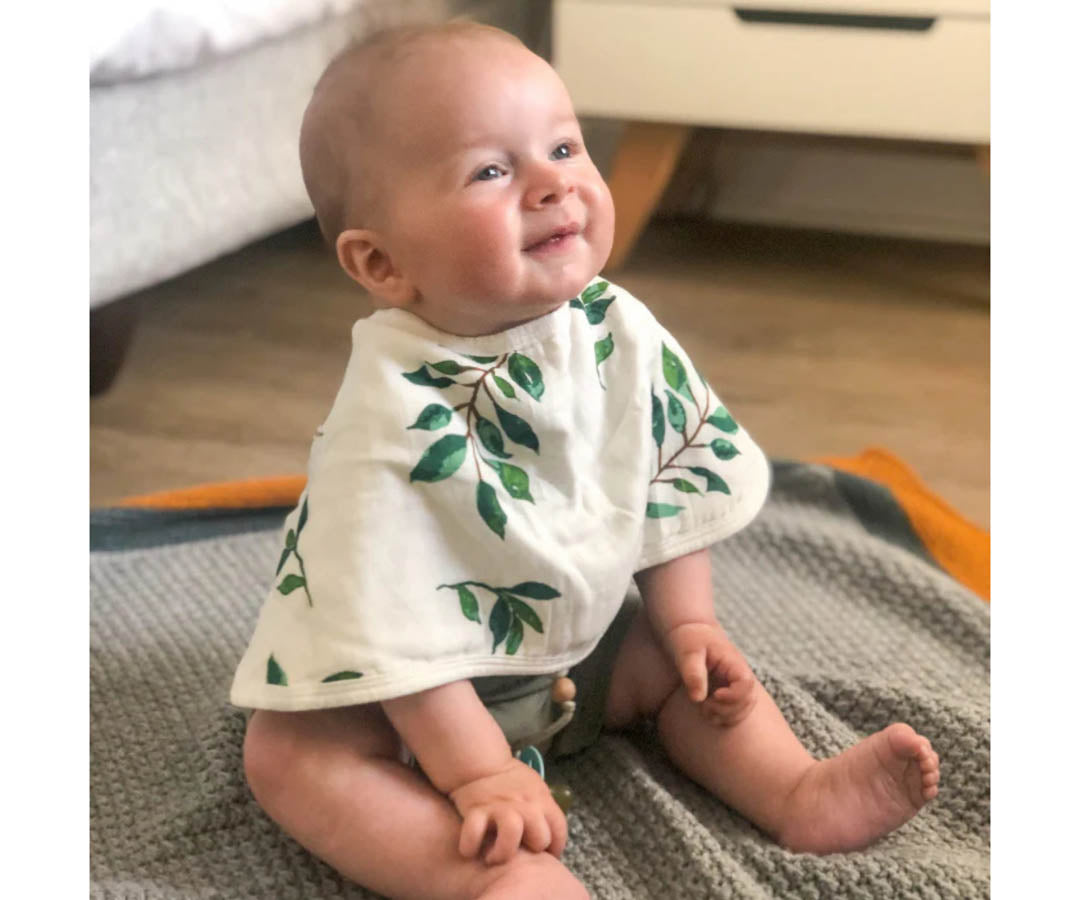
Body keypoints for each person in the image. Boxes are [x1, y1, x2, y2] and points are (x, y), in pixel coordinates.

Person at [231, 22, 940, 900]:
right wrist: (478, 771)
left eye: (565, 147)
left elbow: (671, 470)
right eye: (492, 171)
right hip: (405, 700)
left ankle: (794, 790)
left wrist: (689, 626)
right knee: (292, 758)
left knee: (679, 667)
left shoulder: (615, 330)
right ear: (382, 262)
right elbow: (382, 614)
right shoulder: (390, 413)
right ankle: (490, 878)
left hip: (568, 656)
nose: (553, 183)